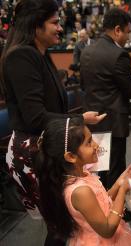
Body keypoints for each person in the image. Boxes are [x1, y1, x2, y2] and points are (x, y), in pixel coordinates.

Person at [0, 0, 105, 224]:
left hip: (49, 146)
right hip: (33, 152)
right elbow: (36, 117)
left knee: (66, 223)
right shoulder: (21, 57)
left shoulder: (40, 53)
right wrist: (79, 119)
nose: (60, 27)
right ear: (36, 25)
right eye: (55, 22)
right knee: (61, 224)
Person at [80, 8, 131, 189]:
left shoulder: (87, 51)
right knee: (115, 167)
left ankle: (102, 204)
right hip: (114, 120)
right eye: (128, 32)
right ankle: (116, 209)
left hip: (92, 118)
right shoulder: (118, 54)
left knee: (98, 166)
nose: (128, 37)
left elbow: (84, 85)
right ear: (117, 30)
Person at [35, 117, 131, 245]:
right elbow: (107, 230)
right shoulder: (80, 191)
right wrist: (123, 191)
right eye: (89, 142)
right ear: (71, 156)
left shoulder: (82, 174)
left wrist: (119, 183)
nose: (96, 145)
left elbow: (101, 202)